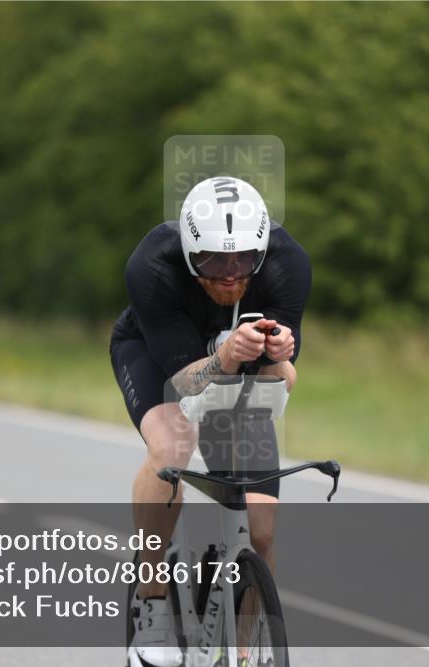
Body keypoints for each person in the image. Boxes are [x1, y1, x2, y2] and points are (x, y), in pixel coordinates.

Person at [110, 176, 311, 666]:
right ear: (188, 250)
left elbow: (281, 375)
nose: (228, 274)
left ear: (262, 249)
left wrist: (282, 354)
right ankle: (153, 601)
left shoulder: (288, 262)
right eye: (212, 262)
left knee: (260, 528)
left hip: (237, 363)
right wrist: (224, 357)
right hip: (159, 356)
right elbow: (185, 383)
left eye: (242, 260)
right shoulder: (152, 265)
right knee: (173, 448)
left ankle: (245, 651)